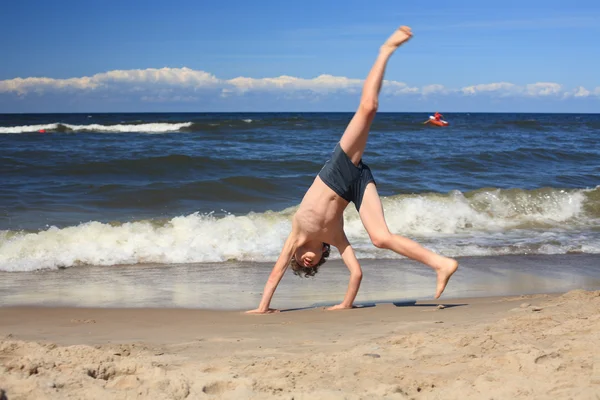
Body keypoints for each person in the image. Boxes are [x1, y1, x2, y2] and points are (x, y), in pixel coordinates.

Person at [247, 26, 458, 314]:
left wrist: (262, 308)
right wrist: (345, 304)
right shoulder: (334, 238)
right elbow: (356, 273)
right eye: (311, 263)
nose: (304, 261)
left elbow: (275, 274)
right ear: (324, 254)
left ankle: (385, 50)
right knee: (380, 238)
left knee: (368, 107)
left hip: (335, 173)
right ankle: (442, 264)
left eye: (298, 261)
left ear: (294, 253)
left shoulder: (295, 237)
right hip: (356, 182)